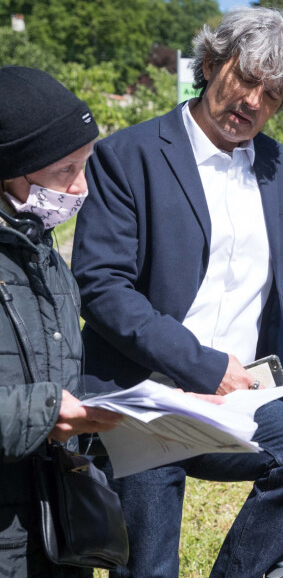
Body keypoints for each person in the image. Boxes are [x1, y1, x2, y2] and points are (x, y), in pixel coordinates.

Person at [71, 7, 283, 578]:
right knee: (150, 566)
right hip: (145, 398)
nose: (254, 102)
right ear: (209, 64)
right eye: (246, 79)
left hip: (241, 397)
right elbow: (101, 287)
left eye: (272, 94)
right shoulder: (128, 155)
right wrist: (200, 366)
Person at [0, 66, 123, 577]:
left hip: (51, 526)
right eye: (63, 172)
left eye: (86, 165)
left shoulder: (40, 249)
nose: (81, 188)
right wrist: (43, 412)